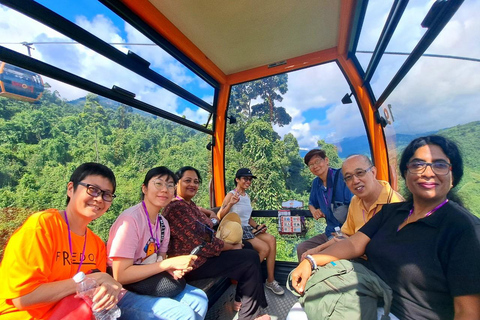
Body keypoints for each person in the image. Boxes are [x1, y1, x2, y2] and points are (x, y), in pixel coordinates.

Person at [290, 136, 480, 319]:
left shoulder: (464, 230)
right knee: (298, 312)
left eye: (439, 165)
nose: (427, 172)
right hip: (373, 292)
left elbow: (468, 311)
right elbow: (354, 243)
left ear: (453, 175)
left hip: (408, 313)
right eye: (417, 165)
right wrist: (311, 261)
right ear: (406, 174)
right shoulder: (392, 212)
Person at [0, 162, 122, 319]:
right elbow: (23, 298)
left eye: (107, 194)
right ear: (71, 189)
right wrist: (95, 279)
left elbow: (94, 295)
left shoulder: (96, 244)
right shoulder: (42, 227)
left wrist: (110, 288)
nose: (99, 199)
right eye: (93, 190)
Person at [163, 166, 270, 320]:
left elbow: (208, 224)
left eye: (196, 181)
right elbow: (202, 243)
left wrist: (209, 213)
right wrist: (232, 246)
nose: (192, 184)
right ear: (176, 183)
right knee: (250, 258)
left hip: (203, 256)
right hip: (193, 263)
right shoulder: (176, 208)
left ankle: (241, 300)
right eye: (187, 181)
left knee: (248, 248)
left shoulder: (188, 205)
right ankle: (249, 316)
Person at [107, 166, 208, 320]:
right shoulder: (130, 220)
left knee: (199, 299)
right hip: (121, 291)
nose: (165, 190)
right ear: (145, 189)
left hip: (147, 283)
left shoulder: (162, 224)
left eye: (169, 185)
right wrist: (168, 264)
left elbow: (158, 260)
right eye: (158, 183)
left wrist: (172, 269)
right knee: (183, 314)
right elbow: (120, 275)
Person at [300, 154, 404, 260]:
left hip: (377, 267)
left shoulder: (395, 205)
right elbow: (344, 234)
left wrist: (351, 243)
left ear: (373, 172)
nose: (355, 181)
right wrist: (317, 251)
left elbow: (390, 251)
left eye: (360, 173)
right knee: (305, 251)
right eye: (349, 177)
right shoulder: (356, 201)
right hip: (344, 244)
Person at [217, 168, 284, 295]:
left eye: (250, 179)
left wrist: (258, 226)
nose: (248, 181)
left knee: (271, 239)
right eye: (245, 179)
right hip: (236, 230)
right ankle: (243, 277)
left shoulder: (246, 196)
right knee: (264, 248)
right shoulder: (231, 195)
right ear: (237, 179)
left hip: (247, 229)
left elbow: (248, 219)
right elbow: (220, 215)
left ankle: (270, 280)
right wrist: (230, 204)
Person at [296, 149, 353, 261]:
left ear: (326, 160)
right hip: (330, 232)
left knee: (321, 256)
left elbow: (354, 205)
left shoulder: (342, 177)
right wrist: (314, 211)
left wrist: (345, 232)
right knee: (302, 248)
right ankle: (308, 278)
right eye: (311, 165)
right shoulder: (316, 183)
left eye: (317, 162)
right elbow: (311, 203)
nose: (315, 166)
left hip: (347, 234)